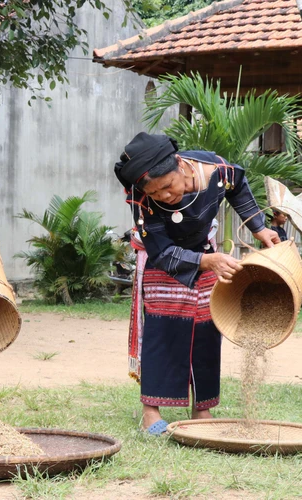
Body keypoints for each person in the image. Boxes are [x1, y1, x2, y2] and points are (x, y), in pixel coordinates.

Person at [114, 133, 279, 435]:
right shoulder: (141, 197)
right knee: (163, 331)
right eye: (156, 193)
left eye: (167, 186)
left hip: (203, 251)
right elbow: (160, 251)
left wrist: (259, 228)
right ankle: (151, 411)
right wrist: (206, 262)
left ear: (180, 164)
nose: (164, 196)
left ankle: (202, 408)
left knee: (205, 330)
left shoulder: (215, 169)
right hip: (162, 259)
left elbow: (239, 185)